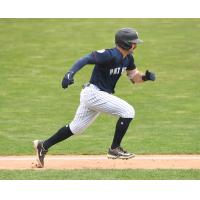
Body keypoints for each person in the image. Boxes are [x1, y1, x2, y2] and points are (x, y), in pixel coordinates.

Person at [33, 27, 156, 168]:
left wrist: (146, 77)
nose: (136, 45)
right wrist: (69, 74)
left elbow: (134, 77)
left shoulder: (128, 58)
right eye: (134, 42)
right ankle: (114, 149)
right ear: (126, 43)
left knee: (76, 128)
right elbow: (85, 59)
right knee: (128, 111)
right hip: (93, 93)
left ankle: (43, 145)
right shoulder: (109, 55)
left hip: (97, 96)